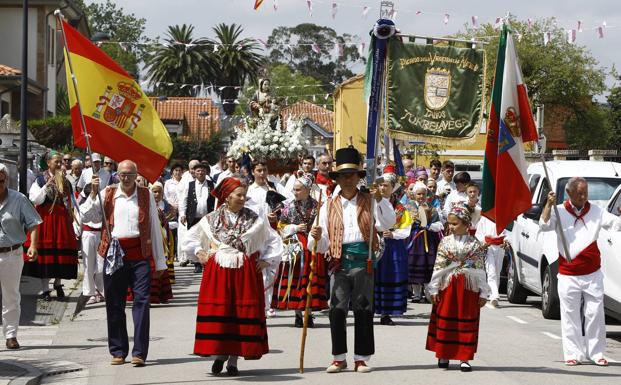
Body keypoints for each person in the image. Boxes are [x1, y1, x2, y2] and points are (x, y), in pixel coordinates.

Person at [308, 147, 396, 373]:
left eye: (352, 175)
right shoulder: (328, 203)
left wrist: (382, 199)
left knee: (363, 309)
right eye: (344, 176)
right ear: (337, 178)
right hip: (338, 262)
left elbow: (387, 224)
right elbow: (322, 240)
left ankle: (361, 358)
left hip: (364, 261)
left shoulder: (370, 200)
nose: (348, 180)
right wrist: (315, 237)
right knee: (336, 309)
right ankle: (339, 357)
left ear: (358, 177)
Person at [183, 177, 282, 376]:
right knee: (223, 314)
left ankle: (233, 360)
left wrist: (267, 259)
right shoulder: (211, 219)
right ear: (227, 197)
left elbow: (273, 239)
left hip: (245, 272)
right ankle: (221, 354)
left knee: (239, 313)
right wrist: (198, 251)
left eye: (244, 195)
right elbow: (190, 239)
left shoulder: (255, 219)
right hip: (218, 271)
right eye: (239, 195)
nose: (243, 198)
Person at [80, 160, 167, 367]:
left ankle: (139, 352)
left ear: (136, 174)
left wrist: (160, 262)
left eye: (130, 174)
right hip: (114, 255)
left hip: (140, 255)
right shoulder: (107, 193)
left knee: (142, 302)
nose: (126, 178)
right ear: (117, 175)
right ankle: (118, 350)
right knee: (115, 303)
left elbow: (154, 228)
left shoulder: (146, 195)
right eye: (122, 174)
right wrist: (93, 194)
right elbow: (87, 216)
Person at [540, 177, 621, 367]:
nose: (584, 196)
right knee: (570, 315)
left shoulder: (596, 211)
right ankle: (573, 354)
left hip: (592, 272)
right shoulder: (558, 211)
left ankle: (597, 352)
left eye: (586, 192)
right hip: (568, 273)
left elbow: (615, 224)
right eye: (579, 193)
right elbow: (544, 225)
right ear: (569, 193)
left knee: (595, 313)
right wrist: (548, 205)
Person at [426, 203, 489, 372]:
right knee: (445, 320)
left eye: (455, 224)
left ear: (466, 224)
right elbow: (439, 267)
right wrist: (434, 288)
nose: (451, 227)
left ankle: (464, 357)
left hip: (468, 289)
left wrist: (484, 291)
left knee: (466, 321)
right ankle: (444, 354)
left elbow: (479, 269)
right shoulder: (445, 243)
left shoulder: (474, 244)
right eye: (449, 224)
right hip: (447, 288)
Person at [273, 174, 328, 327]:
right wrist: (294, 228)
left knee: (310, 278)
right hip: (295, 247)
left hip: (311, 245)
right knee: (296, 278)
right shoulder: (287, 206)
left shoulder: (318, 206)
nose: (295, 192)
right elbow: (280, 226)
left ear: (307, 190)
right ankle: (297, 313)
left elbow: (323, 224)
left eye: (298, 190)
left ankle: (308, 312)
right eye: (294, 190)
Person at [23, 151, 78, 300]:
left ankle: (58, 283)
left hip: (61, 220)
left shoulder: (66, 181)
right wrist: (47, 185)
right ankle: (45, 289)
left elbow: (70, 201)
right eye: (57, 162)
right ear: (48, 163)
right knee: (45, 253)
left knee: (59, 252)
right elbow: (36, 199)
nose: (60, 165)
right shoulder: (40, 179)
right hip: (45, 220)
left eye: (61, 162)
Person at [0, 163, 42, 350]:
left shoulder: (18, 199)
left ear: (6, 180)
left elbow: (33, 223)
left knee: (11, 295)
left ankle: (11, 335)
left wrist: (32, 245)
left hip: (11, 253)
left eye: (0, 180)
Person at [374, 173, 412, 325]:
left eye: (386, 185)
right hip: (375, 241)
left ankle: (386, 313)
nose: (383, 188)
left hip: (393, 245)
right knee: (374, 276)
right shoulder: (372, 202)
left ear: (393, 188)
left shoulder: (401, 207)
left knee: (390, 276)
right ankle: (370, 309)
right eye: (381, 185)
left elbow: (406, 227)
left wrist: (394, 234)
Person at [406, 182, 443, 303]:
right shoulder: (408, 207)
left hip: (429, 238)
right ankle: (416, 293)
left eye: (423, 194)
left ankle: (428, 292)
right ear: (414, 195)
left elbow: (439, 225)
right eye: (419, 194)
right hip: (415, 239)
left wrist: (428, 225)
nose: (421, 197)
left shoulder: (431, 208)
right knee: (415, 263)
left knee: (428, 264)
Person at [179, 162, 215, 274]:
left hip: (208, 218)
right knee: (195, 240)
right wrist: (182, 214)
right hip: (193, 217)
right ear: (194, 172)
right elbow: (183, 200)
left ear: (206, 172)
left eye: (202, 170)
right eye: (198, 170)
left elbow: (216, 200)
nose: (200, 172)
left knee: (207, 240)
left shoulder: (212, 184)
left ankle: (207, 262)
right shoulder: (189, 185)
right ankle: (197, 264)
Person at [475, 215, 508, 308]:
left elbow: (508, 233)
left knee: (497, 272)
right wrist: (483, 242)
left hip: (500, 247)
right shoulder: (484, 218)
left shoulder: (503, 217)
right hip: (488, 247)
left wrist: (506, 240)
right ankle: (495, 295)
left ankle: (493, 294)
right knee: (491, 272)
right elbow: (479, 234)